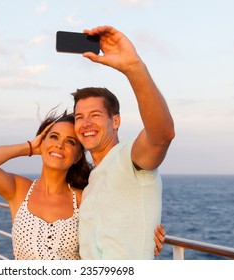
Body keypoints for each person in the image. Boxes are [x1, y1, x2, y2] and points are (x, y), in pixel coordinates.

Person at [0, 109, 165, 260]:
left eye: (70, 142)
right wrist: (30, 147)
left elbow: (122, 221)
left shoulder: (83, 198)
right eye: (54, 137)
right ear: (42, 142)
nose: (60, 145)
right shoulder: (19, 190)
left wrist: (149, 235)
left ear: (77, 155)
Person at [73, 26, 175, 259]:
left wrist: (133, 68)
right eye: (79, 117)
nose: (86, 123)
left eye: (95, 115)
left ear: (115, 120)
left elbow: (162, 135)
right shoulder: (91, 183)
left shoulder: (129, 157)